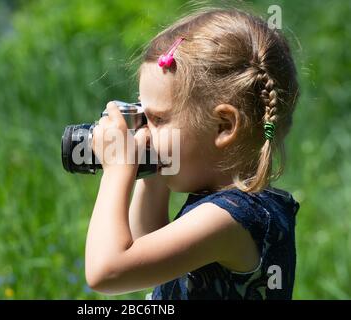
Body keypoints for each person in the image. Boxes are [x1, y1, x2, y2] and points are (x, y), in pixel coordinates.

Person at [85, 7, 300, 300]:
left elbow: (107, 271)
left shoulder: (228, 218)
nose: (145, 131)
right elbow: (146, 246)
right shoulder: (235, 206)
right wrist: (152, 170)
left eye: (158, 119)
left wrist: (117, 170)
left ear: (224, 126)